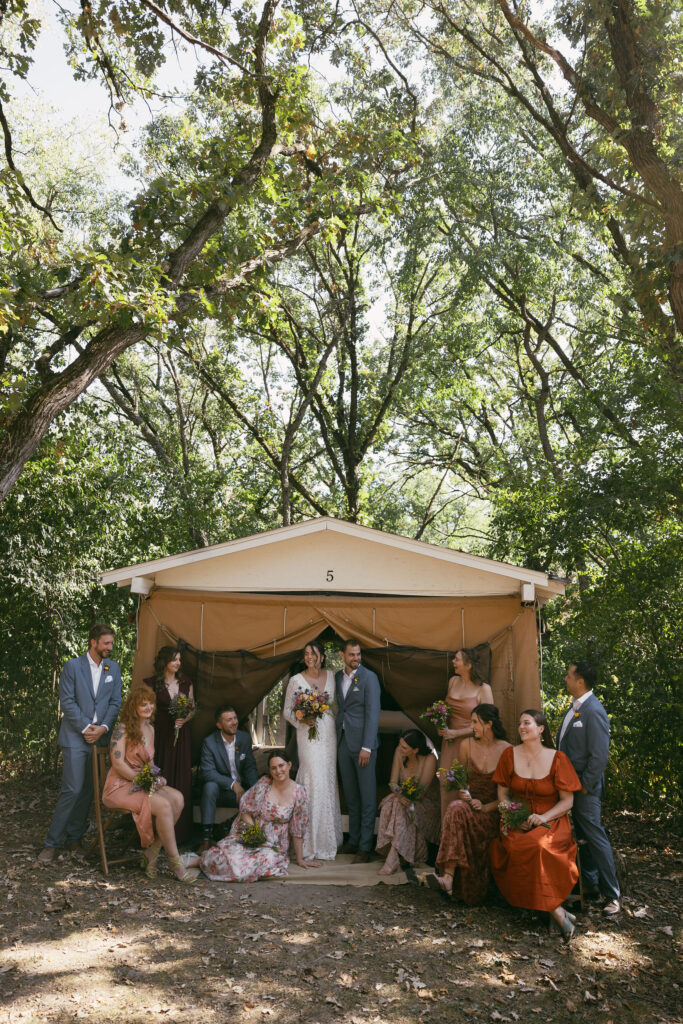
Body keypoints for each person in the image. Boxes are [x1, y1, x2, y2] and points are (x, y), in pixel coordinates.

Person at [489, 709, 582, 942]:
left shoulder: (557, 758)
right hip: (517, 820)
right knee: (515, 846)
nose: (521, 726)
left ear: (540, 729)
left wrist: (543, 818)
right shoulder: (509, 755)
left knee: (540, 847)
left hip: (551, 821)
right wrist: (511, 814)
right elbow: (502, 793)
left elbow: (568, 801)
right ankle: (558, 911)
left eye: (527, 723)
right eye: (520, 722)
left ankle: (555, 911)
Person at [38, 624, 122, 862]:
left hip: (101, 737)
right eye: (106, 643)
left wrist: (103, 728)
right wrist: (87, 728)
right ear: (93, 642)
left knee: (88, 791)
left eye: (111, 643)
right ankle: (51, 844)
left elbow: (116, 702)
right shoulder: (72, 666)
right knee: (72, 789)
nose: (109, 647)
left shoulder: (113, 668)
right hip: (76, 736)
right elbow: (67, 701)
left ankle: (74, 839)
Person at [102, 684, 198, 882]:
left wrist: (156, 776)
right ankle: (175, 863)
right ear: (133, 707)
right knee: (163, 805)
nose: (148, 708)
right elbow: (118, 764)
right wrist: (143, 780)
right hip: (119, 785)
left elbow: (150, 763)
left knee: (178, 798)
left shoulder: (151, 729)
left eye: (151, 704)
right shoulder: (122, 729)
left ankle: (152, 852)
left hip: (142, 780)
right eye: (143, 704)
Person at [186, 750, 318, 881]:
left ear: (289, 765)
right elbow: (245, 812)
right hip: (253, 834)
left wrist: (300, 859)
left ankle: (228, 869)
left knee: (258, 864)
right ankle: (200, 860)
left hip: (274, 844)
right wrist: (255, 834)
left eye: (281, 766)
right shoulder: (264, 784)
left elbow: (297, 829)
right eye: (273, 768)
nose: (278, 771)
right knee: (226, 855)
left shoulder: (299, 793)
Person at [427, 704, 510, 903]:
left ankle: (449, 878)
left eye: (475, 722)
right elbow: (461, 778)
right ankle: (447, 877)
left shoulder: (507, 750)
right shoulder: (466, 745)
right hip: (469, 806)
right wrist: (464, 792)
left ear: (489, 724)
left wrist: (486, 806)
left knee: (457, 810)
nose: (471, 726)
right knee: (455, 808)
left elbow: (509, 795)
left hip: (493, 810)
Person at [558, 662, 621, 916]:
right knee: (584, 837)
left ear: (580, 681)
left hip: (585, 789)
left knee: (595, 837)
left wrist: (584, 787)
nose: (565, 679)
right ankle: (591, 885)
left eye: (569, 676)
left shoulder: (593, 710)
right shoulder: (575, 708)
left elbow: (599, 756)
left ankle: (612, 896)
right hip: (571, 787)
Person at [283, 640, 342, 861]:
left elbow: (335, 707)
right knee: (312, 777)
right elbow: (288, 712)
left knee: (327, 779)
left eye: (313, 653)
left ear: (322, 657)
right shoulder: (295, 680)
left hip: (328, 735)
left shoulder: (331, 676)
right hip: (307, 735)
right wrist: (302, 720)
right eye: (306, 653)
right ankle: (308, 842)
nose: (309, 657)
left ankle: (328, 839)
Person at [335, 637, 381, 863]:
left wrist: (367, 746)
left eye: (358, 654)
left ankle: (365, 846)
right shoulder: (337, 677)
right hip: (343, 743)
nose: (356, 658)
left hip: (363, 746)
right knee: (351, 796)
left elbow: (373, 714)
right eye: (351, 654)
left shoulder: (369, 678)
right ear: (342, 655)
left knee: (367, 797)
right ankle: (352, 840)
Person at [145, 645, 195, 844]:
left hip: (181, 735)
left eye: (179, 660)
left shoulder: (186, 682)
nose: (178, 663)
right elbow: (147, 711)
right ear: (164, 661)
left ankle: (179, 837)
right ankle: (156, 836)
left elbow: (192, 706)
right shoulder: (153, 683)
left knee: (181, 777)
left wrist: (185, 718)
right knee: (161, 777)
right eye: (174, 659)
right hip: (160, 735)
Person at [376, 729, 440, 875]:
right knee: (390, 806)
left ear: (416, 750)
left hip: (426, 802)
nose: (400, 748)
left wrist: (405, 798)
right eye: (400, 744)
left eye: (404, 747)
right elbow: (392, 783)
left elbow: (422, 790)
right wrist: (399, 796)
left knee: (401, 807)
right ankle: (395, 854)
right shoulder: (399, 753)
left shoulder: (429, 758)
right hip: (405, 797)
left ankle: (393, 858)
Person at [438, 648, 494, 814]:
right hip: (449, 743)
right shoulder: (453, 681)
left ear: (468, 665)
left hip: (471, 744)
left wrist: (456, 733)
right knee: (446, 785)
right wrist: (440, 722)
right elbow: (447, 711)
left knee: (464, 787)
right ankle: (446, 834)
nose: (453, 662)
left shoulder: (483, 689)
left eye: (457, 659)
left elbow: (488, 724)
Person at [199, 705, 259, 852]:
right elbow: (207, 772)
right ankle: (206, 839)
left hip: (241, 791)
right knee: (209, 786)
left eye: (235, 718)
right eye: (229, 720)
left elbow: (250, 766)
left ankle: (227, 828)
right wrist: (233, 784)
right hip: (221, 791)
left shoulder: (244, 738)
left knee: (257, 792)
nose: (234, 722)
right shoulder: (210, 742)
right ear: (219, 725)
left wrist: (254, 789)